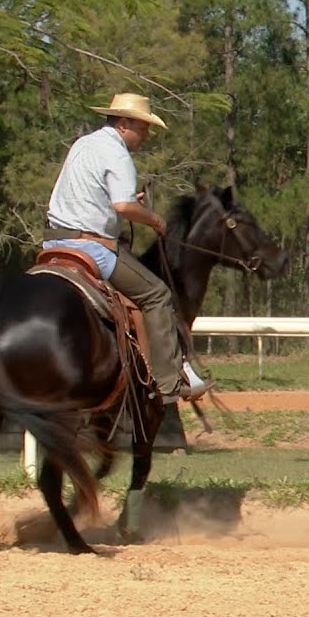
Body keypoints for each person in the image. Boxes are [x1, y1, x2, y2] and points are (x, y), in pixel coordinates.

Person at [42, 93, 213, 403]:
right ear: (124, 124)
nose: (146, 135)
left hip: (53, 242)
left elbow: (96, 196)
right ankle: (170, 382)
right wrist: (154, 220)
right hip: (91, 246)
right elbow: (122, 206)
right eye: (143, 127)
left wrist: (130, 203)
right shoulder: (118, 154)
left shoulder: (83, 144)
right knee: (157, 294)